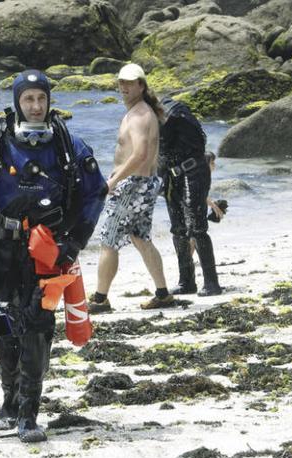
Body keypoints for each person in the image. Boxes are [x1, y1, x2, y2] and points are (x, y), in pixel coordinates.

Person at [0, 70, 107, 442]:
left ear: (49, 101)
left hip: (48, 251)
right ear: (18, 101)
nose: (35, 106)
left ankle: (29, 412)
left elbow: (95, 192)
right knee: (2, 323)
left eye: (41, 98)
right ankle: (8, 399)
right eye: (28, 99)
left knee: (37, 327)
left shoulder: (69, 145)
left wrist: (76, 241)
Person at [88, 63, 172, 313]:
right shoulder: (143, 111)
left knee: (108, 241)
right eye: (121, 82)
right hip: (143, 185)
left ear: (141, 86)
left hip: (133, 186)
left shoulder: (138, 115)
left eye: (129, 82)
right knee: (141, 238)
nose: (123, 87)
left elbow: (140, 153)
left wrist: (113, 181)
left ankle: (100, 299)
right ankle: (163, 294)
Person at [160, 97, 223, 296]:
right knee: (178, 230)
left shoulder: (172, 115)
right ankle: (186, 282)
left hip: (193, 172)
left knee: (197, 228)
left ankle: (212, 284)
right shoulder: (151, 118)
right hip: (172, 175)